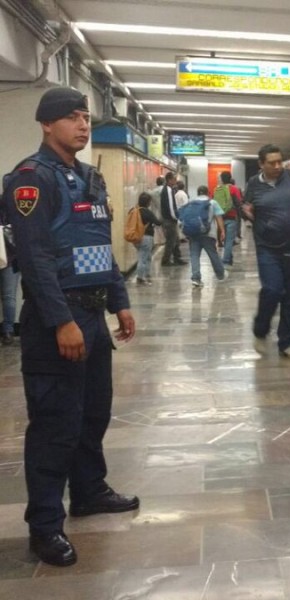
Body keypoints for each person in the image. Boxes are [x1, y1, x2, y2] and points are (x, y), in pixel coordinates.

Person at [1, 87, 138, 567]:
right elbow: (35, 261)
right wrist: (62, 322)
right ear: (46, 124)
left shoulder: (90, 177)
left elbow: (100, 244)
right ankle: (44, 527)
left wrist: (119, 302)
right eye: (72, 117)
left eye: (86, 117)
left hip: (93, 316)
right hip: (56, 320)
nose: (83, 125)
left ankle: (88, 490)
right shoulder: (30, 180)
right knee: (55, 426)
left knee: (93, 414)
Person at [242, 144, 290, 359]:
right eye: (272, 163)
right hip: (268, 249)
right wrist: (246, 212)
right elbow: (246, 207)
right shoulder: (254, 185)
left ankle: (287, 342)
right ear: (261, 164)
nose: (277, 166)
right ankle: (260, 330)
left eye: (279, 161)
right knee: (272, 290)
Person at [183, 185, 227, 288]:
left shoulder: (191, 203)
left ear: (198, 193)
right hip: (209, 234)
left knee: (194, 256)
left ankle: (196, 278)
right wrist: (222, 231)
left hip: (194, 233)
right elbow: (218, 217)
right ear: (208, 193)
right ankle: (220, 275)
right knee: (213, 255)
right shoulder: (212, 202)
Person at [133, 192, 161, 286]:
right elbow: (157, 222)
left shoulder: (134, 210)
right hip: (146, 237)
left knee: (147, 256)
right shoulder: (147, 212)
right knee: (143, 258)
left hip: (136, 237)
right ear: (148, 202)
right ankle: (140, 278)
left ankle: (147, 274)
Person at [159, 171, 186, 266]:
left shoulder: (168, 189)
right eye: (174, 179)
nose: (176, 181)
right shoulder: (168, 190)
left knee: (176, 240)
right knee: (171, 241)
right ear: (169, 180)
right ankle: (165, 260)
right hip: (169, 220)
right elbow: (171, 206)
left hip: (168, 219)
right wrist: (176, 217)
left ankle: (177, 258)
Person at [215, 171, 239, 268]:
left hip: (220, 217)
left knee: (225, 240)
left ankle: (229, 260)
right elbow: (239, 202)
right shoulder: (234, 189)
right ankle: (225, 261)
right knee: (229, 241)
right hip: (231, 217)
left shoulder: (218, 189)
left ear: (221, 179)